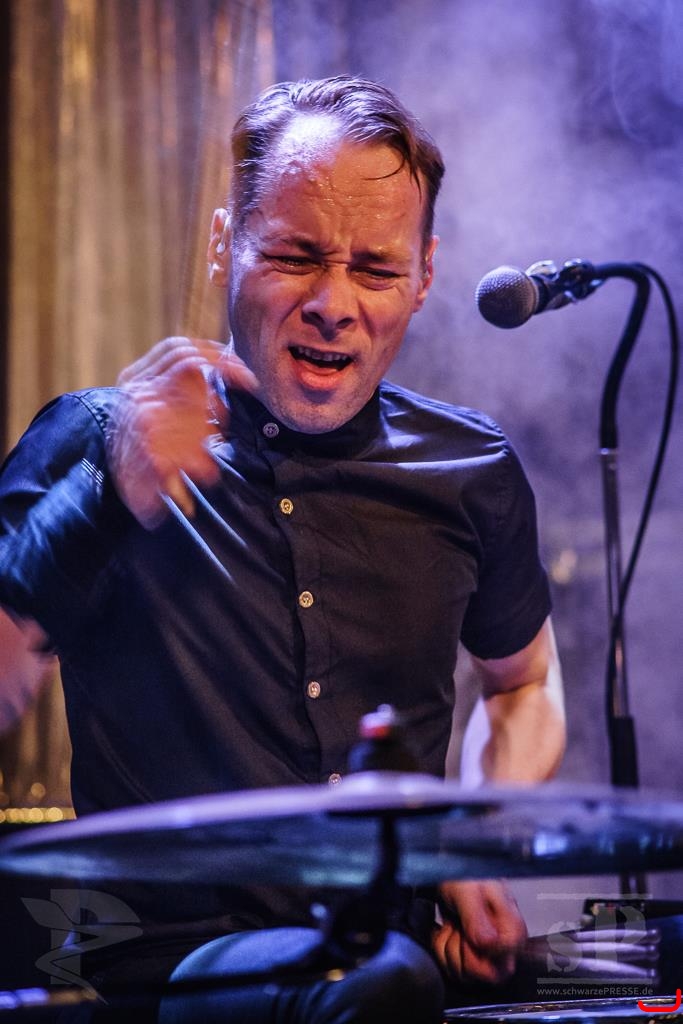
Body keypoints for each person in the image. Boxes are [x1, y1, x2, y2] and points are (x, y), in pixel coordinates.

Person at [0, 76, 565, 1021]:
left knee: (645, 954)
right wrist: (104, 499)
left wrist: (469, 841)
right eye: (296, 256)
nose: (333, 304)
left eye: (375, 270)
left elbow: (524, 683)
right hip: (167, 968)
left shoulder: (471, 468)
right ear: (224, 242)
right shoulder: (98, 441)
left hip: (395, 951)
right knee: (369, 986)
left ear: (424, 275)